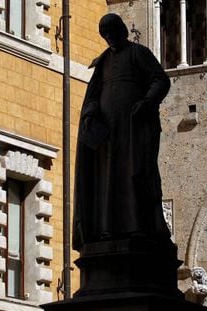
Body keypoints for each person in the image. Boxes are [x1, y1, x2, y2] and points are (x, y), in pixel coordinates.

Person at [72, 13, 171, 251]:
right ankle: (107, 229)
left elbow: (161, 80)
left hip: (134, 128)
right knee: (107, 180)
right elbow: (93, 95)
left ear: (122, 30)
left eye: (112, 32)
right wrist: (90, 113)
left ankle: (138, 226)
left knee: (135, 174)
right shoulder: (103, 61)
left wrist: (147, 102)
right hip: (108, 134)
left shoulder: (138, 53)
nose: (109, 38)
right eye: (105, 34)